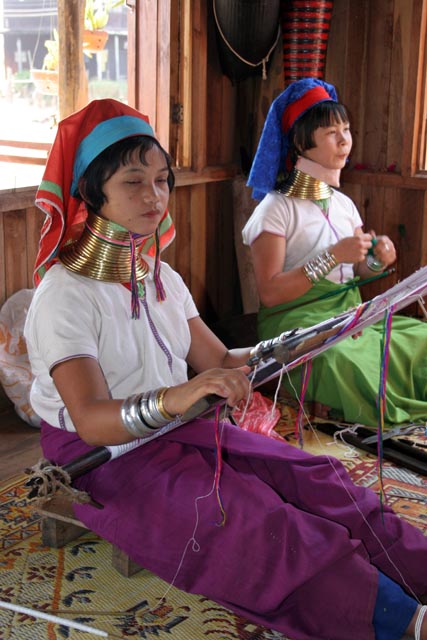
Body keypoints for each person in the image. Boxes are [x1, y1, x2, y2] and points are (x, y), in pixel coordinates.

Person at [24, 98, 427, 640]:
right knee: (256, 523)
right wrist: (181, 396)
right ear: (93, 193)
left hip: (178, 425)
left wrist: (300, 342)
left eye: (163, 180)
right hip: (106, 453)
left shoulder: (161, 276)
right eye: (133, 182)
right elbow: (93, 419)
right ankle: (397, 621)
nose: (155, 195)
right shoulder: (64, 295)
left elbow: (217, 361)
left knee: (318, 480)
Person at [242, 77, 427, 429]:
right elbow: (269, 292)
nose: (345, 140)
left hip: (349, 318)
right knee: (345, 363)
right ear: (300, 141)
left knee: (420, 338)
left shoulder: (343, 205)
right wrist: (332, 255)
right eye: (331, 133)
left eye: (346, 129)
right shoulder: (275, 210)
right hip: (297, 325)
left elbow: (357, 274)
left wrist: (377, 259)